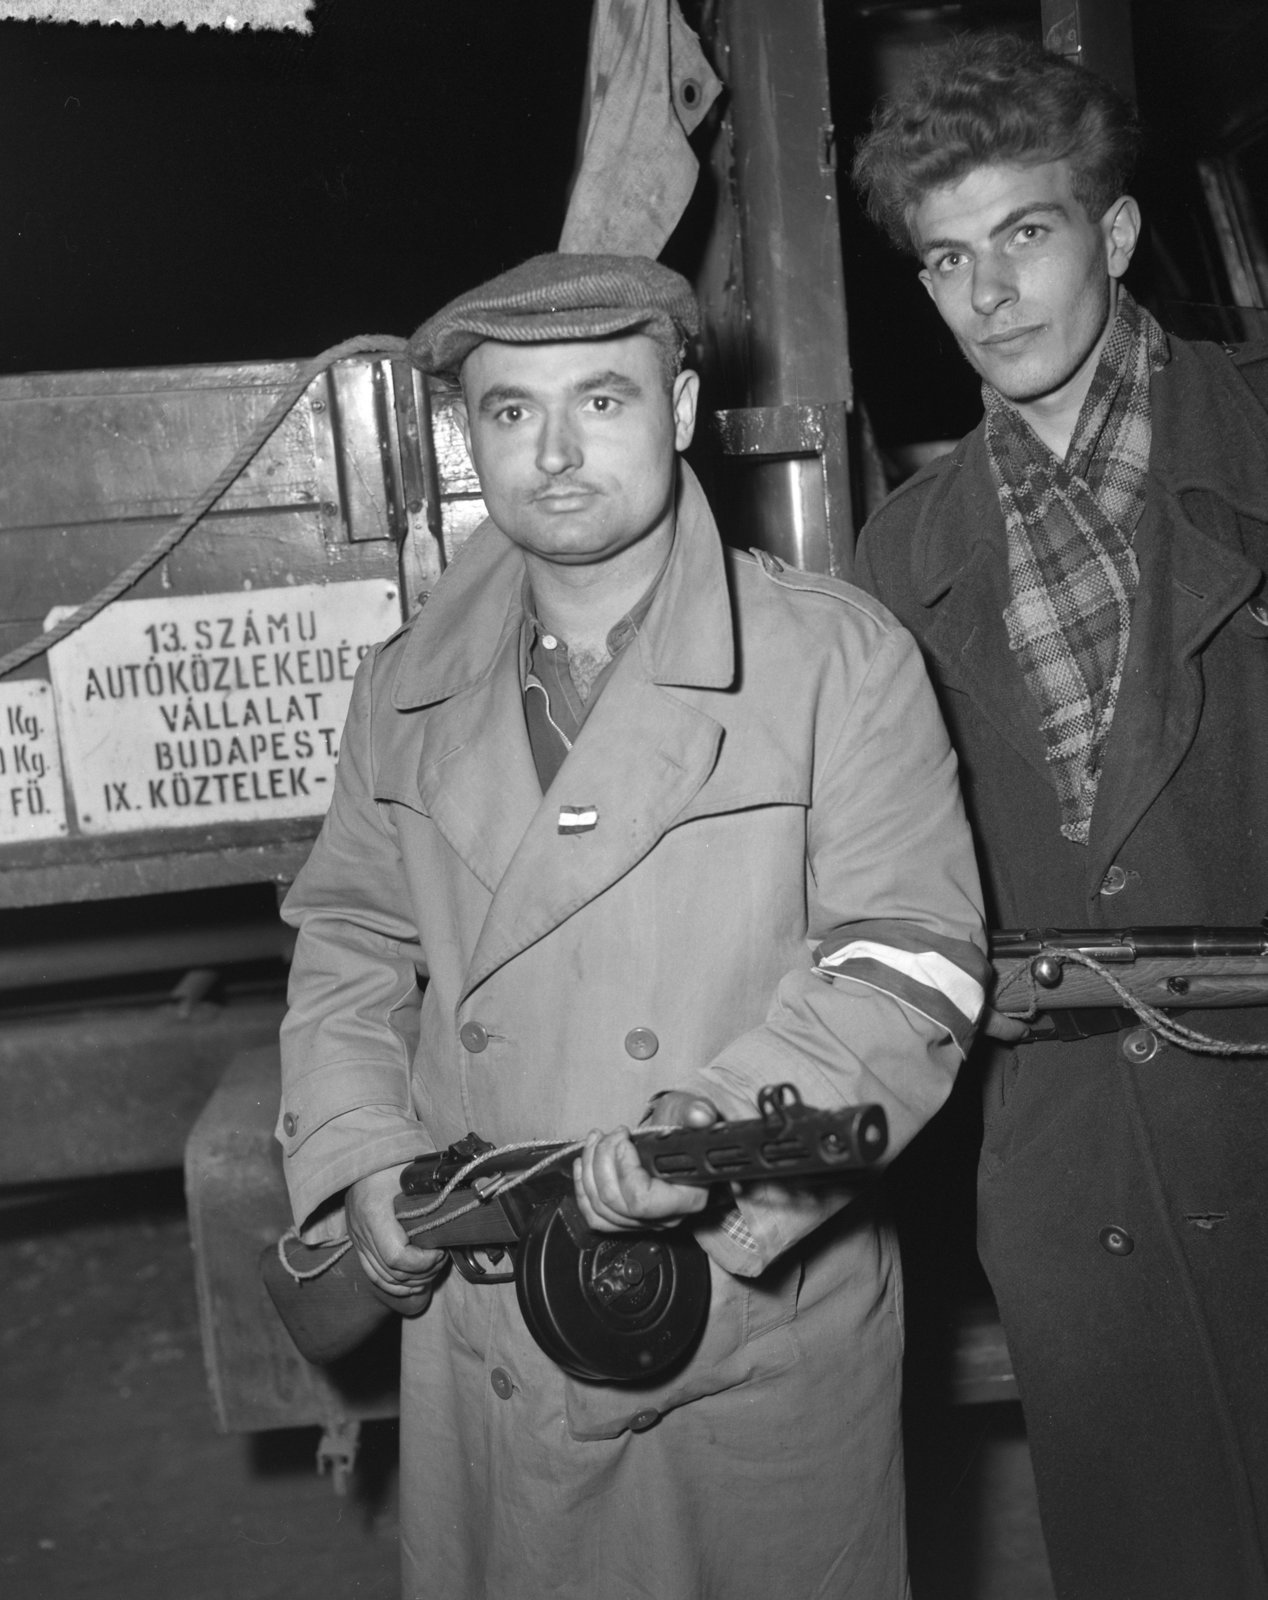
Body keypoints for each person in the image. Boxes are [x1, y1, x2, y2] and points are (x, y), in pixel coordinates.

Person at [275, 252, 988, 1599]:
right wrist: (365, 1158)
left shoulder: (836, 661)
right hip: (489, 1310)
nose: (553, 451)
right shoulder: (404, 689)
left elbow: (909, 964)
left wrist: (704, 1130)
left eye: (600, 401)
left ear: (676, 411)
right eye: (508, 412)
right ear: (465, 434)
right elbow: (353, 944)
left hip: (735, 1324)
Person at [852, 32, 1268, 1600]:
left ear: (1113, 233)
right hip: (1076, 1179)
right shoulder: (903, 557)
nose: (990, 293)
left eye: (1025, 234)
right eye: (948, 259)